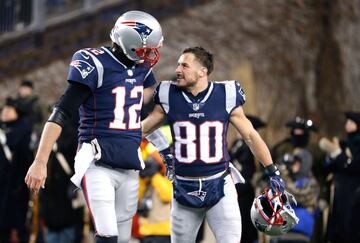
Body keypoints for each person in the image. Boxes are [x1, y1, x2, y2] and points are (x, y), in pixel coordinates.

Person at [25, 10, 164, 243]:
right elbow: (62, 112)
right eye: (147, 48)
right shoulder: (95, 63)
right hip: (97, 161)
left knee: (122, 238)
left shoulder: (141, 69)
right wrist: (40, 162)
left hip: (129, 164)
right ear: (131, 42)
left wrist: (164, 151)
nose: (151, 55)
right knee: (107, 235)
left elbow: (142, 111)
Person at [141, 46, 286, 243]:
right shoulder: (168, 94)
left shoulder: (226, 93)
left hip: (219, 183)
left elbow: (251, 135)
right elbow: (144, 129)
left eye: (184, 65)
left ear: (203, 71)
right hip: (184, 187)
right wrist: (164, 152)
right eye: (177, 64)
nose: (177, 70)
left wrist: (272, 170)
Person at [319, 111, 360, 243]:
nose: (347, 124)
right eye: (347, 122)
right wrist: (330, 157)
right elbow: (326, 168)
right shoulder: (344, 143)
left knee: (350, 227)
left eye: (351, 122)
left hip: (354, 193)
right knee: (336, 228)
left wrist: (339, 155)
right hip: (338, 192)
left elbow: (354, 166)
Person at [229, 115, 266, 243]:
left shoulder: (247, 147)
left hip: (244, 191)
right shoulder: (237, 144)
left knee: (245, 226)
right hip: (237, 192)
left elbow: (244, 169)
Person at [0, 97, 33, 243]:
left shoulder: (23, 130)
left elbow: (25, 158)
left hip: (16, 186)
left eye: (10, 110)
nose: (5, 112)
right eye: (4, 110)